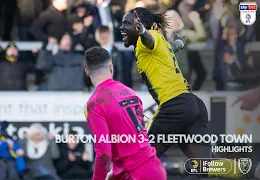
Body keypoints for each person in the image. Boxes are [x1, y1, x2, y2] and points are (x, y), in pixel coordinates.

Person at [119, 7, 251, 179]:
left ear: (141, 26)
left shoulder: (150, 39)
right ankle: (250, 171)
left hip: (175, 106)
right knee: (204, 166)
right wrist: (179, 44)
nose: (122, 28)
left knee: (140, 160)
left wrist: (143, 31)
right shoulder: (157, 45)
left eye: (127, 23)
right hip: (193, 106)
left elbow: (150, 39)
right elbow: (167, 48)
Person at [84, 47, 167, 180]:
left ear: (87, 72)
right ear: (111, 68)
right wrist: (116, 172)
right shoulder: (129, 91)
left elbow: (104, 153)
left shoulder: (94, 104)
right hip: (155, 167)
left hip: (135, 174)